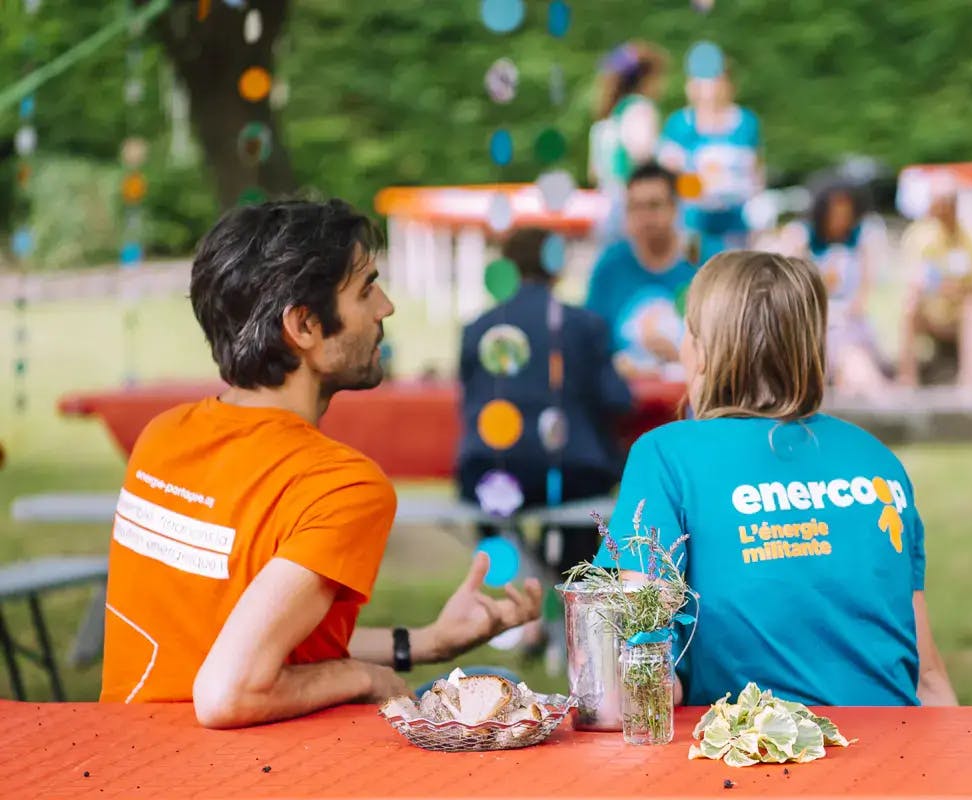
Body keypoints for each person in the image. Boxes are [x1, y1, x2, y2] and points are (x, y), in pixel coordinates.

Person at [100, 200, 542, 728]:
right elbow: (227, 692)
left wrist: (422, 642)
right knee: (504, 688)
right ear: (305, 325)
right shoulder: (341, 487)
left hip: (123, 755)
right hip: (234, 770)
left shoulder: (164, 436)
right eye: (365, 289)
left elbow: (245, 634)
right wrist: (365, 677)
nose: (386, 306)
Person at [593, 250, 957, 708]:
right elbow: (927, 677)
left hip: (757, 760)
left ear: (703, 349)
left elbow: (644, 675)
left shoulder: (665, 455)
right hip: (896, 758)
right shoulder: (878, 461)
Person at [458, 226, 633, 576]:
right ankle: (561, 590)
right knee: (581, 512)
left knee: (497, 497)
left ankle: (529, 587)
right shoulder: (585, 325)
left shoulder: (478, 328)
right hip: (572, 471)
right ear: (556, 266)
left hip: (492, 471)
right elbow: (619, 399)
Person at [584, 162, 696, 380]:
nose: (644, 217)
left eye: (654, 206)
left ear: (674, 207)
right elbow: (590, 344)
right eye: (635, 207)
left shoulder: (704, 261)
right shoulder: (610, 266)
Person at [896, 173, 972, 390]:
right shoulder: (920, 236)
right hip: (932, 314)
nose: (942, 209)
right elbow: (914, 281)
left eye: (947, 202)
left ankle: (970, 386)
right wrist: (943, 288)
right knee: (910, 304)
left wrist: (955, 289)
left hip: (964, 316)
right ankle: (907, 380)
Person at [792, 183, 888, 398]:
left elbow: (864, 288)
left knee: (849, 352)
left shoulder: (862, 237)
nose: (840, 220)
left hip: (849, 320)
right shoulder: (804, 236)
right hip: (816, 320)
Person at [657, 65, 762, 263]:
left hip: (736, 220)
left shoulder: (746, 122)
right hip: (695, 220)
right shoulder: (680, 124)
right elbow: (669, 175)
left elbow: (755, 171)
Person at [588, 40, 668, 246]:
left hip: (605, 203)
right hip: (631, 204)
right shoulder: (639, 109)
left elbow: (594, 171)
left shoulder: (607, 118)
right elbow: (643, 155)